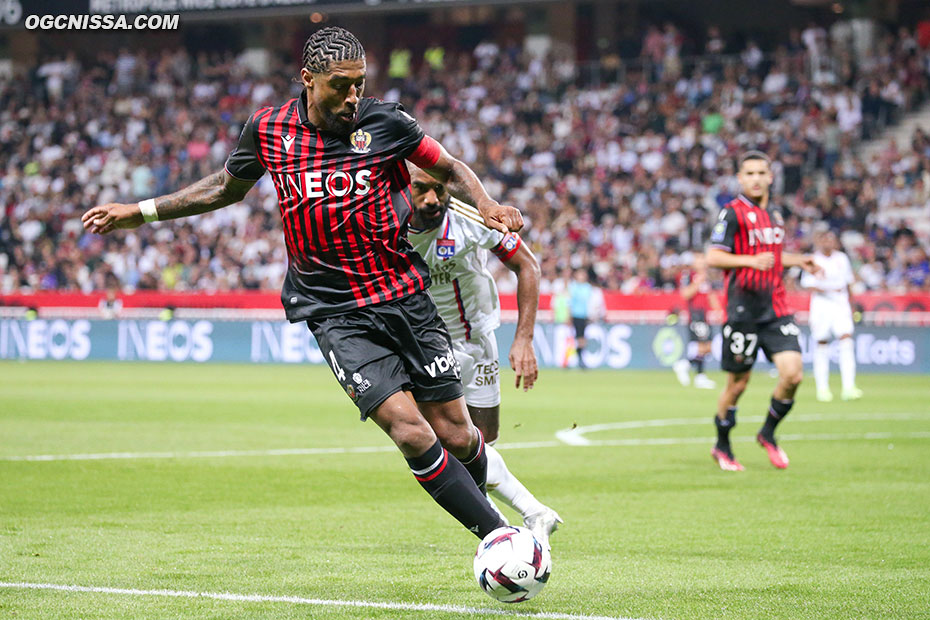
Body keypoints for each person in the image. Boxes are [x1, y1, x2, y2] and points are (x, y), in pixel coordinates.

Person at [81, 27, 524, 541]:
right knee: (409, 431)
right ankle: (499, 538)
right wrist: (141, 211)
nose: (353, 96)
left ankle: (506, 528)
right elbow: (225, 188)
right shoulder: (269, 130)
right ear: (307, 80)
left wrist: (488, 205)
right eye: (341, 85)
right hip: (335, 312)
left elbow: (449, 167)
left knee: (457, 433)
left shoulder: (387, 123)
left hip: (403, 294)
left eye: (359, 83)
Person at [405, 164, 562, 547]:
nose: (432, 199)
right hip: (428, 344)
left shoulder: (468, 215)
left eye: (439, 190)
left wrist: (524, 338)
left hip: (477, 340)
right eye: (421, 190)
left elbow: (528, 265)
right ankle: (517, 522)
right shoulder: (385, 222)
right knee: (452, 439)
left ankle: (507, 526)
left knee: (481, 442)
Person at [705, 151, 821, 471]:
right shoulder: (731, 213)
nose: (756, 179)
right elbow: (713, 257)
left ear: (771, 177)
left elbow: (772, 255)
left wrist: (799, 260)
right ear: (740, 179)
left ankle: (767, 434)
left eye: (761, 173)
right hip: (742, 310)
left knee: (793, 374)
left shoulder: (777, 215)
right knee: (738, 385)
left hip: (776, 308)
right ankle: (722, 445)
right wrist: (748, 261)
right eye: (749, 174)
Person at [800, 230, 863, 402]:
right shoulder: (813, 259)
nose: (828, 242)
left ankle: (848, 387)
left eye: (831, 239)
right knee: (821, 343)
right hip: (821, 305)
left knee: (846, 340)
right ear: (819, 241)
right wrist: (829, 289)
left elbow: (848, 282)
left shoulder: (842, 258)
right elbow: (807, 284)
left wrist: (852, 304)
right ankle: (823, 389)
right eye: (824, 239)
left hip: (841, 304)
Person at [672, 253, 721, 389]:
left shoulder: (706, 277)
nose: (702, 261)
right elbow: (685, 294)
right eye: (699, 259)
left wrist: (717, 309)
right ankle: (685, 365)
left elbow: (710, 295)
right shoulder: (689, 276)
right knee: (705, 346)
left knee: (706, 347)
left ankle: (699, 376)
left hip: (704, 315)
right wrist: (697, 282)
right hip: (695, 314)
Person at [568, 269, 594, 368]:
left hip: (584, 316)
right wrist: (569, 316)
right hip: (575, 315)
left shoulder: (588, 287)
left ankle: (580, 358)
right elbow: (569, 302)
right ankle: (576, 359)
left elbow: (590, 302)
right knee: (577, 337)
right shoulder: (573, 287)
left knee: (582, 338)